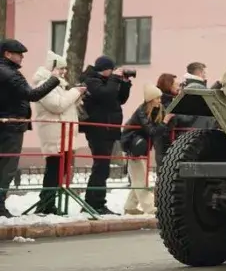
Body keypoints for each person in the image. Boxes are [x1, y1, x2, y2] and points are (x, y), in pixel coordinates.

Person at [0, 40, 60, 217]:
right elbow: (32, 95)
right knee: (7, 168)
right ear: (8, 54)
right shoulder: (10, 74)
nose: (22, 57)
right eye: (19, 54)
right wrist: (54, 78)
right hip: (11, 126)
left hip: (6, 123)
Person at [30, 52, 86, 215]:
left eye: (64, 69)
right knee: (54, 170)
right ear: (52, 67)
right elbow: (57, 105)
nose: (63, 72)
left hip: (63, 134)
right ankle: (45, 204)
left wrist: (76, 96)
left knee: (60, 170)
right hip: (54, 134)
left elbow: (64, 104)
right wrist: (75, 92)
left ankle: (49, 203)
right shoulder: (43, 84)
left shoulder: (57, 85)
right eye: (61, 68)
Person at [80, 56, 133, 215]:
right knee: (101, 168)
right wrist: (115, 79)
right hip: (98, 129)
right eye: (112, 69)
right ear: (106, 68)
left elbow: (120, 100)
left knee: (101, 168)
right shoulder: (92, 81)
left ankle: (92, 204)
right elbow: (106, 95)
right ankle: (95, 204)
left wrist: (125, 83)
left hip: (109, 129)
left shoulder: (108, 81)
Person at [120, 84, 174, 215]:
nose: (159, 101)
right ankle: (149, 208)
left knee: (139, 177)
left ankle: (130, 207)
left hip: (141, 147)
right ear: (150, 99)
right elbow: (152, 131)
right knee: (140, 179)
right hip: (132, 146)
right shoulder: (141, 111)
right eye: (157, 98)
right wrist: (165, 121)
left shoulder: (156, 109)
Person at [153, 73, 180, 168]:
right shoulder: (160, 101)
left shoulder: (169, 99)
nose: (179, 87)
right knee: (164, 165)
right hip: (163, 138)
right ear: (169, 85)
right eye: (176, 84)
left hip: (167, 136)